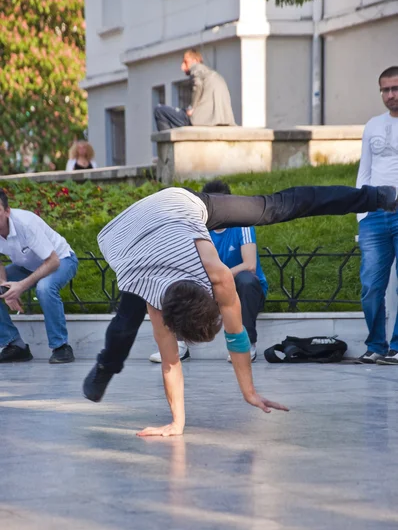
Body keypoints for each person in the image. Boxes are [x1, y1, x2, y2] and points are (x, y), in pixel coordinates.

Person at [83, 182, 398, 437]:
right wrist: (176, 424)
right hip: (126, 235)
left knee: (274, 206)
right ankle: (105, 368)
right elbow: (171, 363)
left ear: (211, 294)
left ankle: (378, 196)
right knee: (125, 322)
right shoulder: (152, 296)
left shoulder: (216, 272)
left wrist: (249, 392)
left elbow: (236, 335)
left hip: (176, 206)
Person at [149, 180, 268, 364]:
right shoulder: (199, 227)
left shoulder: (242, 224)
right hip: (211, 287)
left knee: (247, 279)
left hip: (242, 290)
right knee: (179, 282)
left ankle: (248, 345)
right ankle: (179, 346)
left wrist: (221, 276)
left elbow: (249, 264)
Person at [0, 189, 78, 363]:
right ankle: (15, 345)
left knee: (45, 288)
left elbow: (53, 261)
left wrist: (21, 286)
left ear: (7, 211)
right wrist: (5, 286)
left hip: (62, 260)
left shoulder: (25, 223)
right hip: (27, 266)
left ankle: (61, 347)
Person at [355, 66, 398, 365]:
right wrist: (361, 213)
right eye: (385, 90)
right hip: (374, 215)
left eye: (395, 88)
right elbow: (364, 171)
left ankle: (396, 347)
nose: (391, 95)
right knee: (371, 286)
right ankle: (377, 346)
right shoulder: (372, 125)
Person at [154, 48, 235, 131]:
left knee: (159, 110)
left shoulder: (197, 68)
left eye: (186, 62)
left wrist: (192, 107)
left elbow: (197, 85)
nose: (182, 67)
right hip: (222, 120)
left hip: (201, 120)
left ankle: (167, 140)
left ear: (195, 60)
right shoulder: (214, 75)